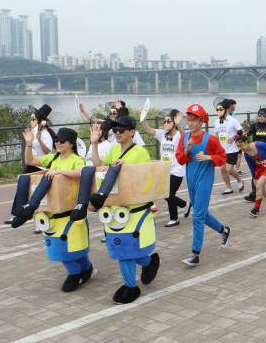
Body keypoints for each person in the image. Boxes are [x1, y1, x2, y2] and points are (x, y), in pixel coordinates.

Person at [10, 127, 95, 292]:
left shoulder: (76, 159)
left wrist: (60, 172)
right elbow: (30, 162)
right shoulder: (53, 157)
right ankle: (84, 270)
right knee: (63, 246)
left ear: (71, 143)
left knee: (74, 246)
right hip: (53, 211)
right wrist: (29, 144)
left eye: (62, 140)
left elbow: (82, 172)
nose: (58, 143)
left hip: (70, 209)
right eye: (56, 140)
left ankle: (76, 273)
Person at [89, 116, 160, 304]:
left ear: (132, 131)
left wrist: (127, 167)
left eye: (122, 129)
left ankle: (130, 286)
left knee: (125, 251)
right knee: (124, 249)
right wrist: (94, 144)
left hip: (133, 209)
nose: (117, 133)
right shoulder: (113, 149)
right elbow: (99, 166)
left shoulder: (140, 152)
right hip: (114, 208)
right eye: (115, 130)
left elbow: (146, 178)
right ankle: (149, 262)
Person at [175, 104, 230, 267]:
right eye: (189, 120)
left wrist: (209, 157)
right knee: (202, 213)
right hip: (190, 179)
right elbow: (180, 160)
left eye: (193, 120)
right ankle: (223, 230)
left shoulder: (210, 139)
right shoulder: (184, 138)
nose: (190, 123)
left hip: (205, 180)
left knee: (197, 216)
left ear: (201, 121)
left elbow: (222, 157)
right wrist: (187, 150)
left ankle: (195, 254)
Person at [141, 108, 189, 227]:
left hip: (177, 170)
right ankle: (185, 205)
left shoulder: (178, 135)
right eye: (164, 122)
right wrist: (143, 117)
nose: (165, 124)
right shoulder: (162, 134)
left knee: (169, 194)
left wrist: (179, 125)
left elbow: (187, 139)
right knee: (165, 194)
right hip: (164, 170)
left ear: (174, 123)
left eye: (168, 121)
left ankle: (174, 219)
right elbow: (148, 129)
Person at [236, 132, 266, 217]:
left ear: (247, 142)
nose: (240, 148)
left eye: (241, 145)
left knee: (259, 185)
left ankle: (256, 209)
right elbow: (251, 167)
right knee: (260, 188)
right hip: (259, 168)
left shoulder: (259, 144)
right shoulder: (246, 154)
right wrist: (254, 178)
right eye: (238, 147)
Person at [214, 99, 245, 195]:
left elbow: (241, 133)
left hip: (232, 149)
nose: (219, 111)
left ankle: (239, 180)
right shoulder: (216, 122)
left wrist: (233, 137)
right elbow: (216, 135)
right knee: (222, 169)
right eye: (217, 109)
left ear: (226, 110)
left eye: (221, 109)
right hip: (221, 150)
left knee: (228, 169)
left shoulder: (233, 120)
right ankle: (229, 187)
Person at [24, 104, 55, 173]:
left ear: (41, 121)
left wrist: (40, 140)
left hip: (40, 166)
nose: (32, 121)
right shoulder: (35, 131)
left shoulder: (46, 135)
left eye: (34, 119)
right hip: (32, 163)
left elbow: (47, 152)